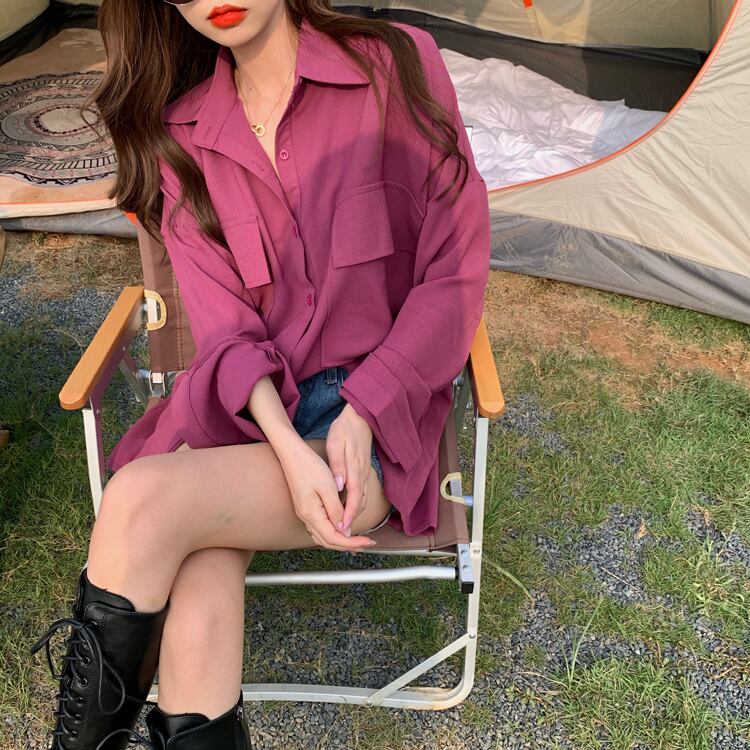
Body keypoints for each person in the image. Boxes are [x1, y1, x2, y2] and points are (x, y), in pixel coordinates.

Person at [29, 1, 491, 748]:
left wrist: (364, 410)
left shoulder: (395, 65)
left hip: (374, 424)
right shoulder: (183, 135)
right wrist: (284, 445)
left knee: (141, 502)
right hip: (248, 415)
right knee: (195, 562)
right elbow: (226, 333)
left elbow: (456, 274)